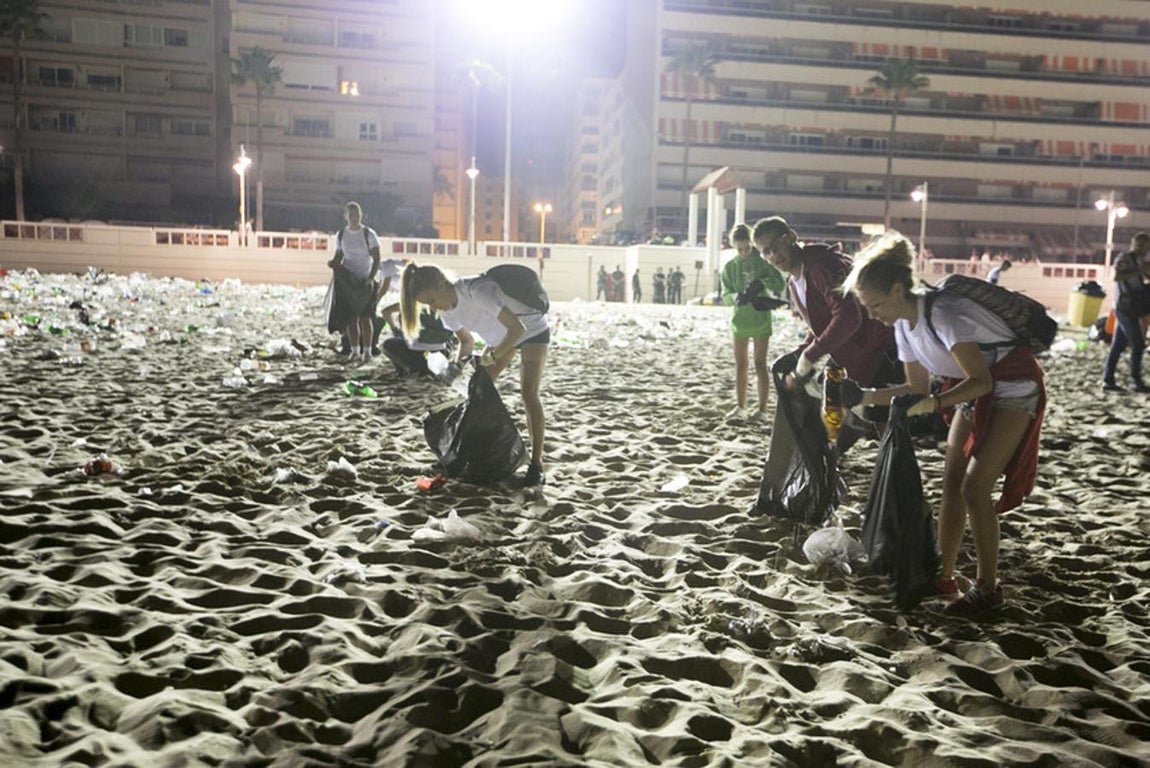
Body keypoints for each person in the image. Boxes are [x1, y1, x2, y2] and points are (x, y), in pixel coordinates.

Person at [840, 232, 1047, 618]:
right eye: (866, 307)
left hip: (1014, 386)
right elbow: (915, 388)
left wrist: (934, 404)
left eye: (876, 304)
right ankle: (944, 577)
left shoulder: (944, 314)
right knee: (951, 481)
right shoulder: (903, 325)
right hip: (973, 389)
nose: (872, 314)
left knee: (975, 487)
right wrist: (862, 396)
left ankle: (988, 588)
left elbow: (981, 382)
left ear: (898, 289)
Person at [400, 263, 550, 486]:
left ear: (441, 284)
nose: (433, 307)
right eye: (427, 304)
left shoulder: (477, 290)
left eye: (431, 300)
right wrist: (457, 366)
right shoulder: (446, 313)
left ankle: (536, 465)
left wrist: (493, 355)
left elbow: (518, 329)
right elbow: (466, 341)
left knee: (529, 393)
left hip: (531, 328)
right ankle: (462, 454)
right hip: (501, 338)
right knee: (476, 393)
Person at [751, 216, 900, 440]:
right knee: (840, 418)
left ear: (791, 237)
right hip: (854, 351)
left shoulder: (823, 267)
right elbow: (822, 323)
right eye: (766, 252)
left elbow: (848, 317)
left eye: (776, 245)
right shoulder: (795, 280)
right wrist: (800, 352)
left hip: (879, 346)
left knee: (879, 422)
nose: (773, 255)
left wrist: (809, 356)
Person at [720, 223, 786, 424]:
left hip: (760, 318)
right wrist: (735, 297)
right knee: (741, 365)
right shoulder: (730, 267)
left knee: (760, 364)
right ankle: (741, 407)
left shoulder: (763, 262)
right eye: (739, 249)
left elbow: (780, 282)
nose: (744, 253)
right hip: (740, 320)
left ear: (752, 244)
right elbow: (725, 294)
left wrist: (763, 283)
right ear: (734, 247)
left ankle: (762, 410)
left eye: (747, 248)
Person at [325, 202, 380, 362]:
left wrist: (370, 278)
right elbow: (339, 256)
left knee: (366, 317)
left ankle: (367, 351)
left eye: (357, 215)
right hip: (348, 282)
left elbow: (377, 258)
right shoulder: (341, 235)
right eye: (351, 215)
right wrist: (333, 263)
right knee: (351, 318)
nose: (355, 218)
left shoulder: (369, 234)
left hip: (365, 280)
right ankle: (355, 350)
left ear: (361, 215)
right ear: (346, 216)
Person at [1102, 232, 1149, 393]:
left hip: (1132, 306)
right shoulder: (1125, 258)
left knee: (1118, 345)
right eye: (1140, 245)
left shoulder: (1138, 260)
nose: (1143, 249)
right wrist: (1139, 270)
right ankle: (1135, 381)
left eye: (1145, 246)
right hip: (1124, 306)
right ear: (1133, 244)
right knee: (1138, 343)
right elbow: (1117, 276)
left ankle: (1108, 380)